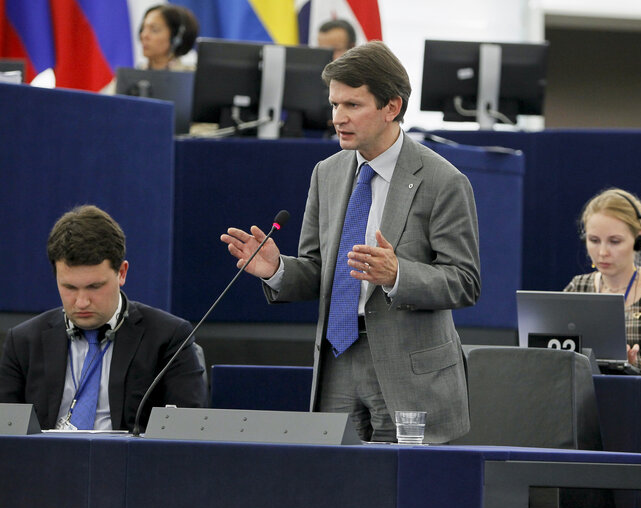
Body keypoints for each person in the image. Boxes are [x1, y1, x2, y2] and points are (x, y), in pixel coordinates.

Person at [221, 41, 481, 444]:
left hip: (408, 372)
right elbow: (316, 271)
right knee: (335, 486)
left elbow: (465, 281)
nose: (337, 118)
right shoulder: (327, 173)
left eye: (352, 106)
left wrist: (397, 275)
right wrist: (276, 269)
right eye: (334, 105)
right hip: (337, 359)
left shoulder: (443, 181)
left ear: (391, 107)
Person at [0, 205, 207, 431]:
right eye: (69, 287)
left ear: (122, 273)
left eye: (94, 287)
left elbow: (189, 434)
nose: (81, 302)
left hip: (130, 464)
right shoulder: (23, 342)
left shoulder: (168, 338)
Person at [564, 188, 641, 376]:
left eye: (614, 241)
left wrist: (634, 363)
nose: (603, 252)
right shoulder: (578, 287)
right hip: (584, 397)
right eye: (594, 240)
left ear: (638, 239)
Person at [138, 3, 199, 71]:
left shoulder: (192, 77)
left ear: (176, 38)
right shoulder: (134, 75)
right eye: (143, 28)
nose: (144, 35)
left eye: (154, 30)